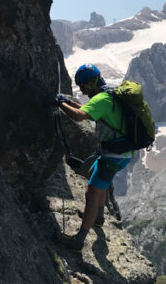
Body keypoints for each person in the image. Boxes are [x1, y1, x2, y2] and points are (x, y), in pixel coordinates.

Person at [55, 63, 134, 252]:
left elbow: (79, 116)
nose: (82, 91)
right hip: (122, 151)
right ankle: (98, 216)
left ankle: (79, 240)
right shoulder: (111, 94)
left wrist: (60, 104)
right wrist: (67, 100)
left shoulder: (102, 99)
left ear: (91, 83)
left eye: (83, 87)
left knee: (92, 191)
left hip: (113, 155)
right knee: (95, 174)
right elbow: (89, 110)